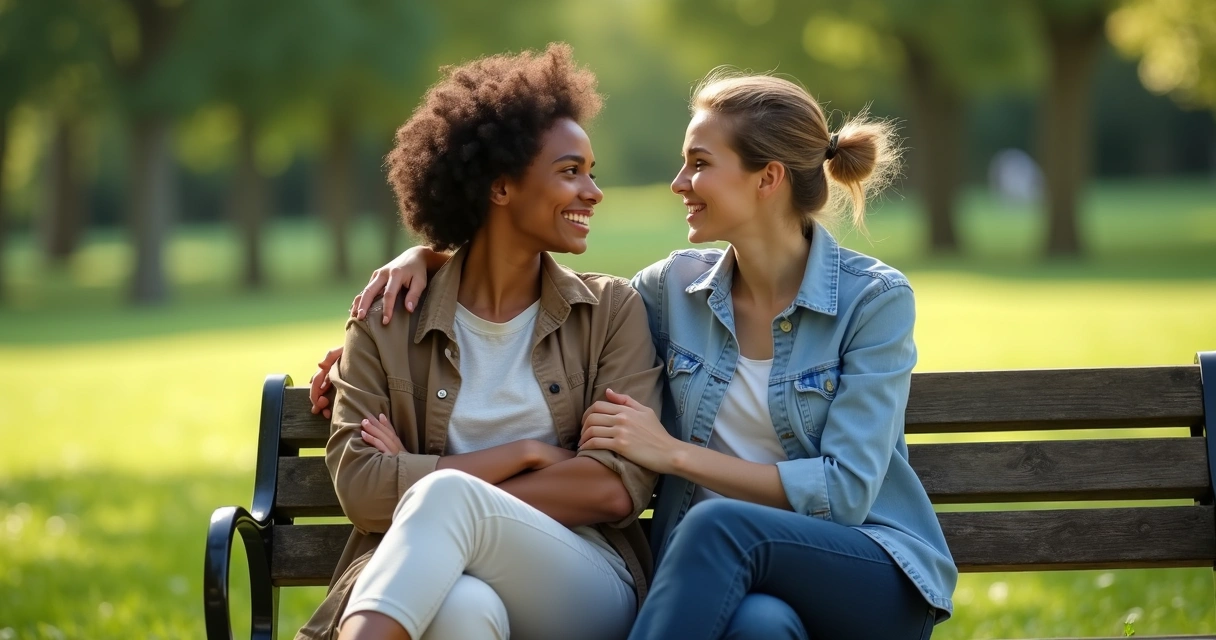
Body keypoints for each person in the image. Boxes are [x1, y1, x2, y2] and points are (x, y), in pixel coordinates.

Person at [315, 70, 957, 639]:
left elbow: (843, 492)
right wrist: (424, 264)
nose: (679, 182)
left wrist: (674, 453)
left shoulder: (873, 300)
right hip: (727, 583)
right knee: (761, 625)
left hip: (863, 563)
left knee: (714, 527)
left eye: (700, 163)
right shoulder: (670, 292)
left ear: (767, 179)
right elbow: (553, 299)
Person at [296, 44, 663, 640]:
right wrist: (529, 453)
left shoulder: (609, 312)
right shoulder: (388, 318)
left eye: (591, 172)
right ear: (500, 189)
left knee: (446, 499)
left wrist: (435, 479)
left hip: (584, 578)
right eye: (570, 172)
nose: (593, 192)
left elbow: (613, 488)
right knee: (461, 608)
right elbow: (363, 493)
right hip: (440, 582)